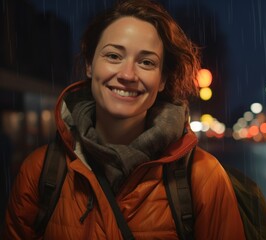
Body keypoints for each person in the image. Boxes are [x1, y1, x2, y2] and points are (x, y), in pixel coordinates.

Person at [3, 0, 246, 239]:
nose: (128, 74)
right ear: (90, 64)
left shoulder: (203, 177)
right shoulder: (39, 171)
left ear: (162, 80)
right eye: (113, 56)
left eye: (146, 62)